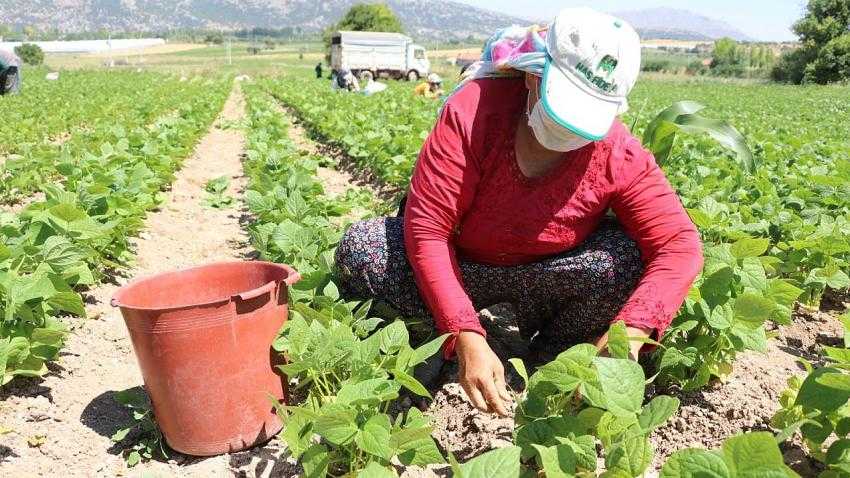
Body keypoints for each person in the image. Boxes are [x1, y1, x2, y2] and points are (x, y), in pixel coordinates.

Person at [334, 8, 704, 417]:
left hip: (549, 277)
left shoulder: (618, 151)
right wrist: (464, 333)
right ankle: (432, 336)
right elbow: (427, 231)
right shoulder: (475, 112)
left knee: (626, 258)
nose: (568, 132)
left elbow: (679, 244)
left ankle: (554, 355)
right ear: (535, 76)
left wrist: (631, 332)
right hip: (461, 264)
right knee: (363, 248)